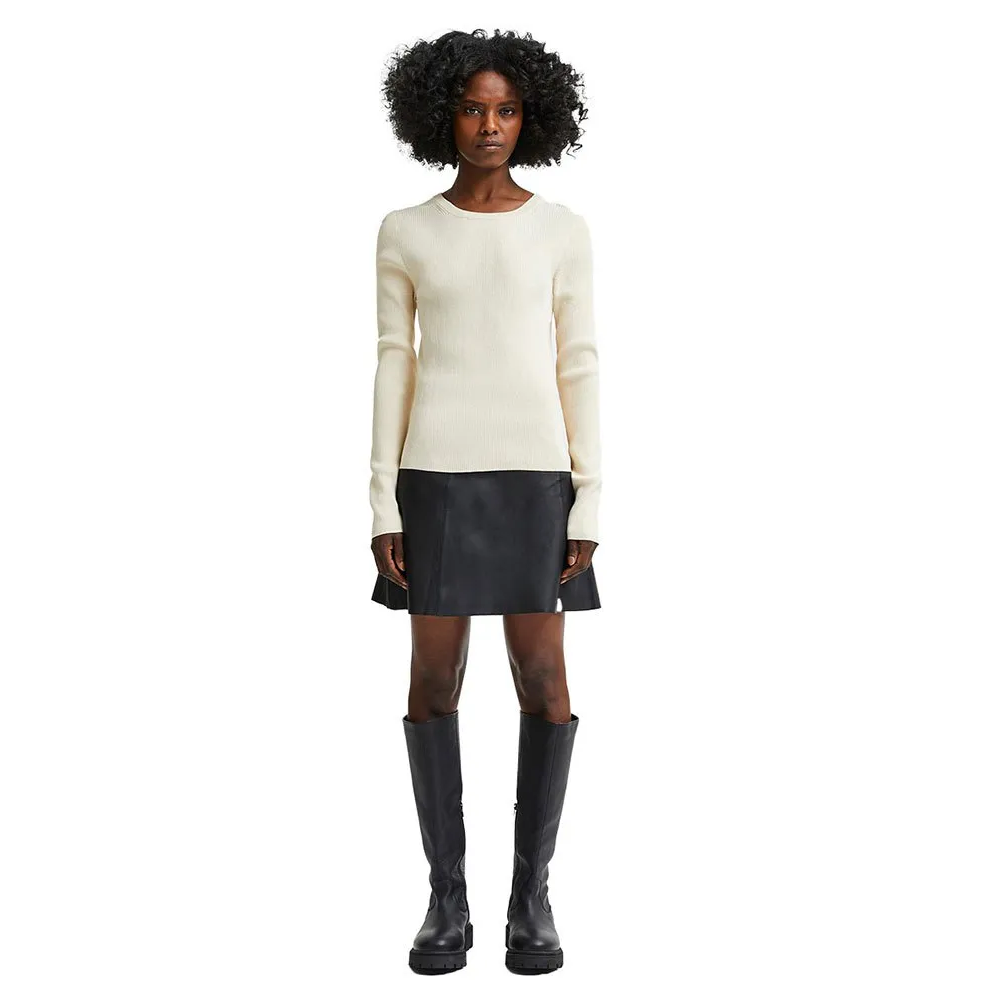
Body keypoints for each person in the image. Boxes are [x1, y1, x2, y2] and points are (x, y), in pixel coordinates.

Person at [368, 28, 602, 975]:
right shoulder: (405, 231)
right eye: (473, 107)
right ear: (442, 115)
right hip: (435, 480)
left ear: (530, 117)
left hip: (536, 481)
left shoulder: (562, 230)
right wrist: (383, 500)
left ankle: (531, 896)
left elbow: (579, 365)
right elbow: (395, 364)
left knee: (543, 682)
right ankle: (446, 897)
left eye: (506, 109)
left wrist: (589, 500)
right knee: (434, 683)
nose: (490, 125)